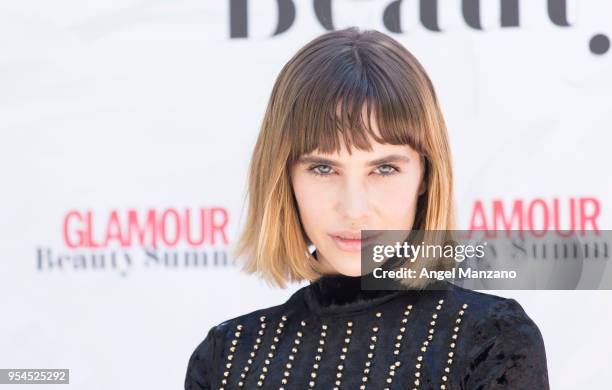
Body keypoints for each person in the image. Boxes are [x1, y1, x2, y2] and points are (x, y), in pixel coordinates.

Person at [184, 27, 549, 390]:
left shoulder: (489, 340)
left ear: (425, 174)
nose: (354, 209)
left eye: (384, 169)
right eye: (323, 168)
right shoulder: (227, 358)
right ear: (284, 177)